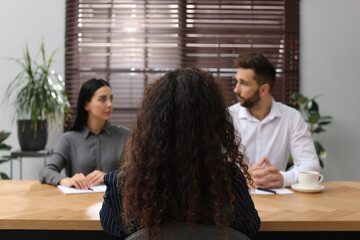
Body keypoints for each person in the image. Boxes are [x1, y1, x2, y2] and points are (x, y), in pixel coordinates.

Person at [99, 68, 260, 240]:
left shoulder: (123, 186)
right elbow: (249, 228)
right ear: (216, 125)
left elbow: (110, 226)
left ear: (149, 126)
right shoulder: (229, 181)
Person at [228, 52, 320, 189]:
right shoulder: (227, 117)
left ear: (263, 89)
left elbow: (311, 164)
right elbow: (213, 165)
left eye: (244, 83)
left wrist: (283, 178)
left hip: (279, 201)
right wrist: (243, 176)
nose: (236, 89)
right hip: (237, 200)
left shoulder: (292, 117)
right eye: (237, 82)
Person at [39, 78, 130, 189]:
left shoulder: (125, 135)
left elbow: (138, 173)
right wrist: (64, 180)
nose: (110, 104)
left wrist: (109, 177)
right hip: (78, 202)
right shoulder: (68, 139)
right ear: (86, 105)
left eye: (111, 99)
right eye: (102, 99)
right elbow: (46, 171)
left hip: (115, 203)